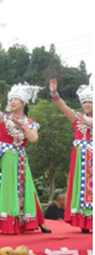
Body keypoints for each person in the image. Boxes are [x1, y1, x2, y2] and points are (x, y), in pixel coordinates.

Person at [0, 82, 51, 234]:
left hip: (19, 159)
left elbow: (33, 139)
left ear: (24, 102)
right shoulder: (4, 118)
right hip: (4, 158)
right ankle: (8, 223)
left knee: (26, 188)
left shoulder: (30, 123)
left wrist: (22, 124)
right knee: (5, 188)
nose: (12, 102)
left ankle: (36, 221)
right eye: (11, 99)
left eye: (15, 99)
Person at [50, 79, 92, 233]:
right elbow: (64, 107)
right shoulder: (78, 117)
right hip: (81, 157)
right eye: (84, 102)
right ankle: (84, 221)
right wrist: (55, 94)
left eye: (90, 102)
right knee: (81, 186)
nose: (86, 104)